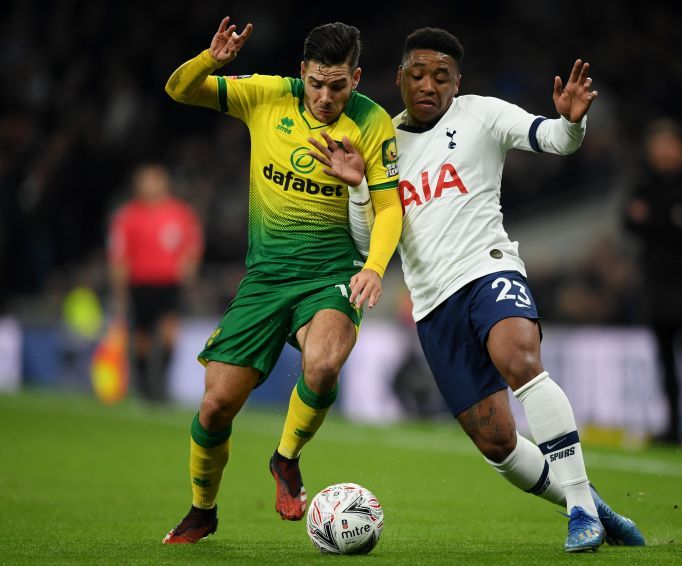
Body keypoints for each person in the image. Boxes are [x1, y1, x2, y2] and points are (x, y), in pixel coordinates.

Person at [307, 27, 645, 553]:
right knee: (498, 442)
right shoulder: (380, 142)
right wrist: (356, 189)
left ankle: (580, 510)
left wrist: (572, 123)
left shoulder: (483, 115)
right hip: (432, 303)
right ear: (399, 78)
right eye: (417, 75)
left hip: (489, 270)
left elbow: (552, 138)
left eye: (441, 77)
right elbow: (366, 238)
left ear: (456, 83)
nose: (428, 85)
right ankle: (593, 505)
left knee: (520, 359)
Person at [161, 17, 402, 543]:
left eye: (337, 85)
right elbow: (178, 89)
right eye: (316, 83)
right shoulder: (266, 96)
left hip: (329, 275)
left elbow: (389, 209)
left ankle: (285, 458)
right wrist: (211, 62)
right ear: (302, 73)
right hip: (266, 279)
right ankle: (203, 510)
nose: (324, 96)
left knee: (322, 362)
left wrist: (374, 267)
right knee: (215, 404)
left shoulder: (372, 123)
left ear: (355, 78)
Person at [623, 119, 682, 447]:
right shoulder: (644, 183)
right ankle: (674, 426)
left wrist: (653, 218)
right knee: (665, 358)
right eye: (656, 147)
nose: (661, 153)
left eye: (667, 146)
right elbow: (627, 221)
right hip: (659, 286)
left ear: (681, 147)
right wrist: (671, 218)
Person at [108, 163, 203, 403]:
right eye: (145, 180)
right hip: (140, 282)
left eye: (154, 179)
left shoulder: (179, 213)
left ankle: (161, 384)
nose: (149, 185)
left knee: (170, 333)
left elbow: (193, 244)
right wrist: (120, 289)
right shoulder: (128, 215)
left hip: (169, 283)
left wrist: (188, 268)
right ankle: (143, 387)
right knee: (141, 337)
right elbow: (119, 255)